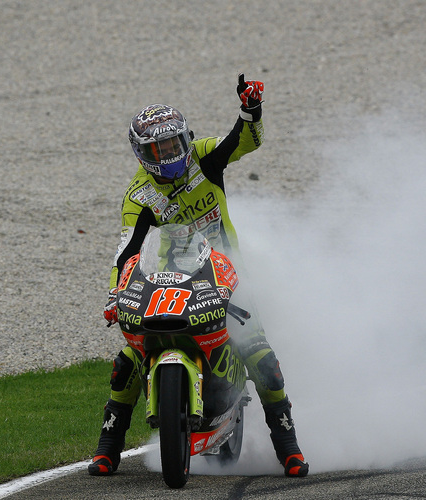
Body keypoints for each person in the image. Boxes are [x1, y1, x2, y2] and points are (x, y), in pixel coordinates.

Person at [88, 74, 309, 478]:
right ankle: (107, 448)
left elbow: (244, 141)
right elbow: (127, 251)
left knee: (262, 357)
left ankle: (289, 448)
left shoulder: (204, 157)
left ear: (185, 140)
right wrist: (114, 295)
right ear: (143, 154)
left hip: (227, 274)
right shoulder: (138, 196)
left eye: (173, 143)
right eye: (159, 147)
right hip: (169, 277)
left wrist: (250, 110)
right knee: (131, 357)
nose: (170, 152)